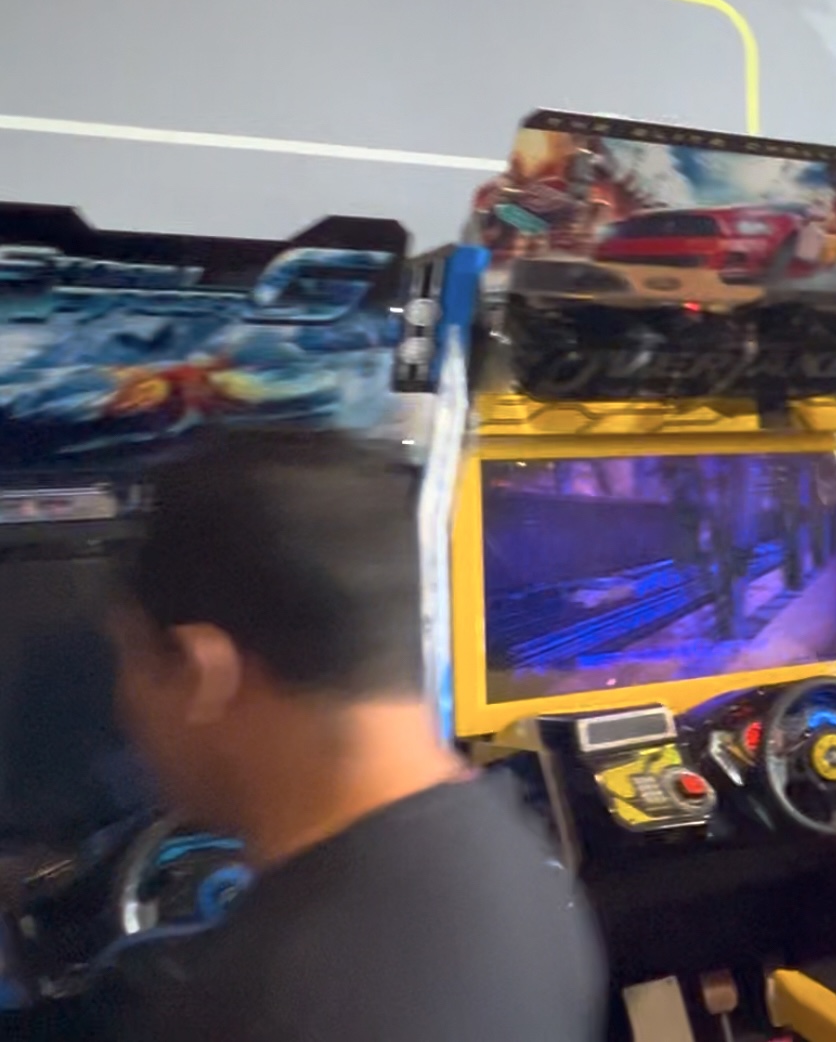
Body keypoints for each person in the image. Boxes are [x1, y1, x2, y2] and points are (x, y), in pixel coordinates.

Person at [111, 431, 605, 1042]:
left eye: (128, 658)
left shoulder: (260, 1006)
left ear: (202, 671)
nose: (124, 704)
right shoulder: (527, 868)